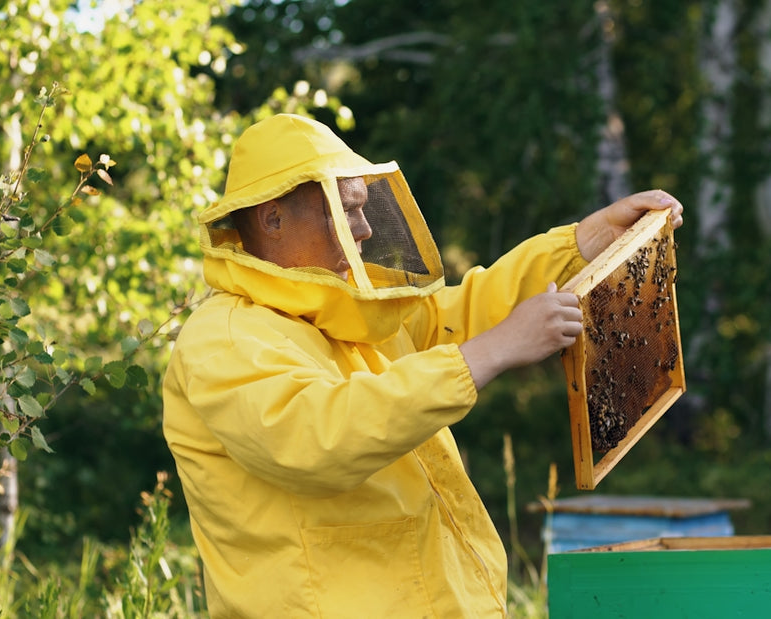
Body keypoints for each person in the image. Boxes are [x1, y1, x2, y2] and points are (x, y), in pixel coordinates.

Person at [162, 113, 683, 618]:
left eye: (366, 208)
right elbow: (313, 434)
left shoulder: (351, 316)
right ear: (272, 218)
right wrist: (495, 350)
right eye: (345, 211)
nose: (364, 230)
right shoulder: (225, 337)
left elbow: (467, 312)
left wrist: (581, 245)